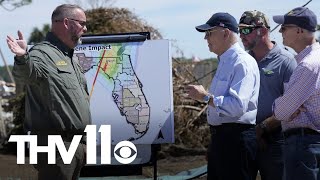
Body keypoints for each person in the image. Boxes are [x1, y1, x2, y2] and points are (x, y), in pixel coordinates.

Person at [6, 4, 91, 180]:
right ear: (67, 23)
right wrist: (22, 58)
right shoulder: (42, 53)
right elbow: (26, 76)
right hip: (56, 147)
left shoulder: (69, 58)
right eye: (82, 23)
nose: (85, 28)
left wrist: (83, 142)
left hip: (74, 146)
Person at [185, 12, 260, 180]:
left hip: (236, 140)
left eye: (209, 33)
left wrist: (205, 97)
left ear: (225, 33)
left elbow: (237, 107)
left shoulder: (242, 62)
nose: (206, 38)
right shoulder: (226, 61)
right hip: (223, 139)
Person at [238, 10, 297, 180]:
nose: (242, 35)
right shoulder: (244, 61)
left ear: (263, 31)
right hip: (246, 137)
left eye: (247, 30)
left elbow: (292, 106)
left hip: (276, 139)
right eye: (240, 30)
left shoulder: (286, 61)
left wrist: (263, 128)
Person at [270, 7, 320, 180]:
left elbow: (281, 112)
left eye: (284, 27)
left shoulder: (307, 65)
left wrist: (281, 105)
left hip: (304, 145)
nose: (280, 31)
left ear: (299, 31)